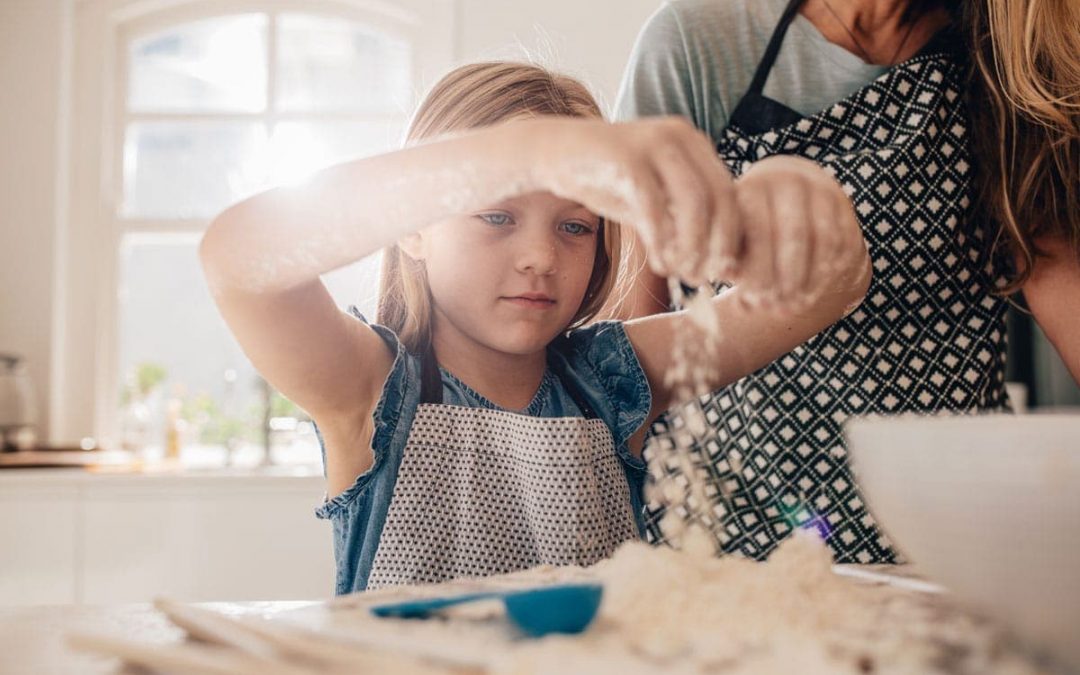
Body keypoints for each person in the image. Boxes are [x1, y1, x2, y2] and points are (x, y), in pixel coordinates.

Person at [199, 61, 872, 593]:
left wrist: (794, 191)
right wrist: (525, 150)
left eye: (575, 225)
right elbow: (238, 260)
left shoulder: (613, 379)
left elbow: (831, 285)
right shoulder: (369, 388)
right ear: (412, 225)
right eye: (496, 214)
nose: (541, 257)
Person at [614, 0, 1080, 563]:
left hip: (948, 544)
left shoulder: (1009, 62)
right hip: (732, 546)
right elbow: (631, 346)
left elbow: (1057, 267)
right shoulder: (694, 42)